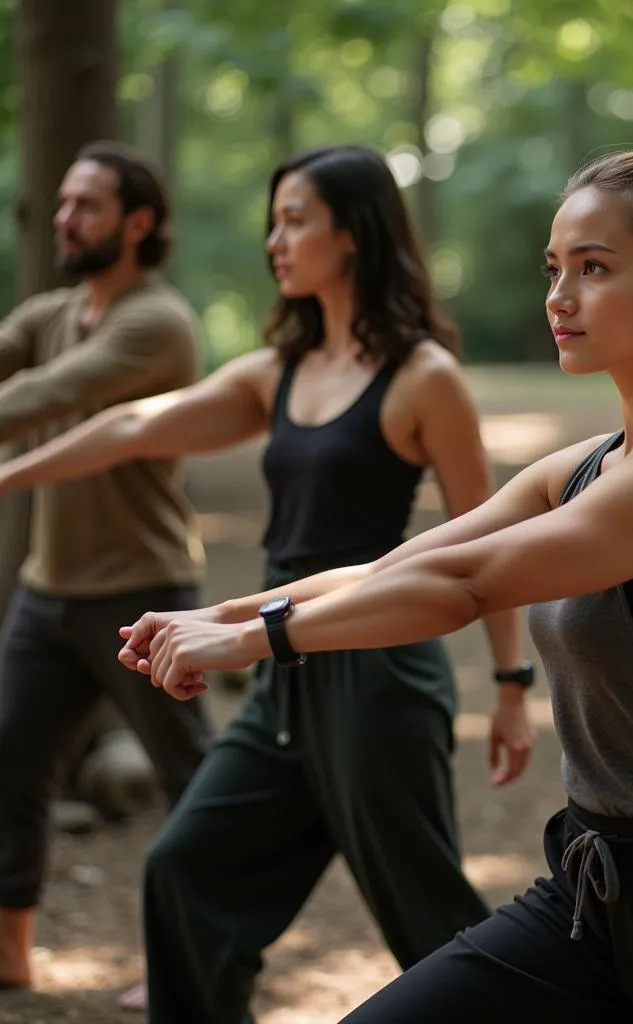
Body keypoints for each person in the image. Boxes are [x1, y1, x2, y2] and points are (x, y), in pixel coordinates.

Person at [117, 149, 633, 1024]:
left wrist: (256, 641)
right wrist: (215, 613)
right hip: (596, 890)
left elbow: (469, 583)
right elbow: (396, 564)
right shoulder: (591, 465)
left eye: (594, 269)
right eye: (555, 269)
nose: (559, 296)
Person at [0, 143, 534, 1020]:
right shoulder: (278, 369)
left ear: (353, 236)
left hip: (380, 666)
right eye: (272, 224)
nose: (275, 242)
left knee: (424, 913)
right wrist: (10, 474)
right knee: (185, 870)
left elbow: (490, 541)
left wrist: (513, 683)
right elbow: (135, 423)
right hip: (280, 665)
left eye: (295, 221)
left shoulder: (422, 378)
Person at [0, 142, 214, 992]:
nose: (65, 218)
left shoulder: (155, 323)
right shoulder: (53, 312)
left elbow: (54, 394)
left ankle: (205, 961)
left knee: (195, 783)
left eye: (86, 204)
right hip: (48, 591)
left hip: (141, 589)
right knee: (9, 762)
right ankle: (9, 951)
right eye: (63, 202)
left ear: (139, 222)